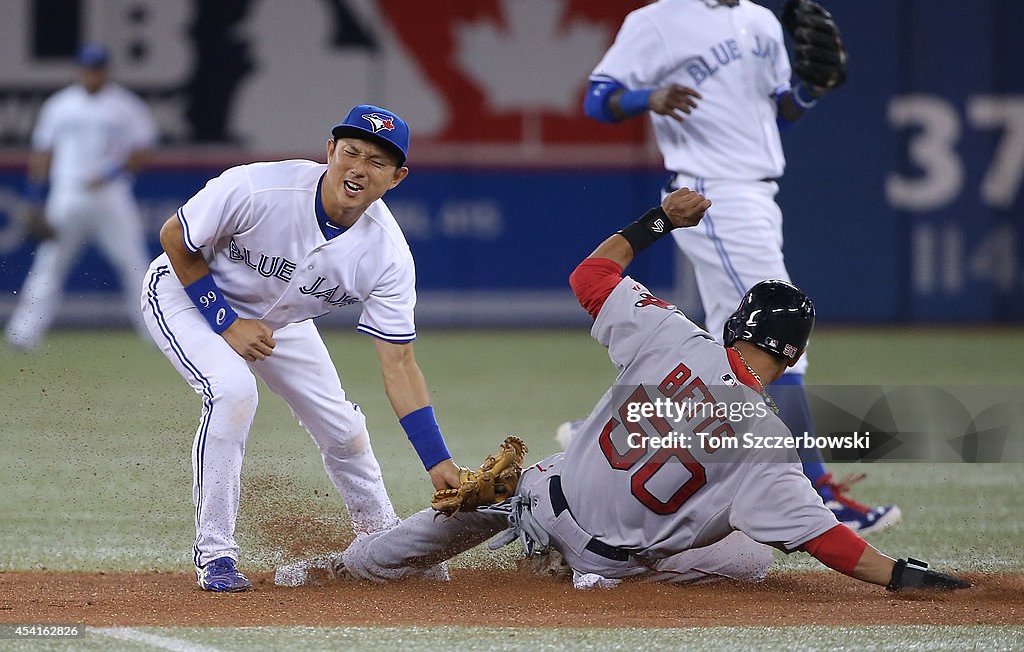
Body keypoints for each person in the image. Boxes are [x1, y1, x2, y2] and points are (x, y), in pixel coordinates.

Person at [275, 190, 968, 594]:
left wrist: (659, 220)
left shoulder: (673, 334)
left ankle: (343, 566)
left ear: (737, 323)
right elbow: (830, 543)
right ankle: (585, 575)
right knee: (758, 551)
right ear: (794, 357)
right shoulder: (769, 445)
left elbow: (589, 276)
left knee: (481, 499)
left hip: (541, 498)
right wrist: (903, 575)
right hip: (602, 563)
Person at [567, 0, 900, 534]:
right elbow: (598, 100)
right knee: (779, 332)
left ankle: (619, 430)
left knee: (733, 346)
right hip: (711, 190)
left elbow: (778, 113)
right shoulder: (657, 21)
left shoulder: (762, 21)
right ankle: (817, 493)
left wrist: (809, 92)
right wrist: (650, 95)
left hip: (757, 190)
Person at [142, 103, 461, 592]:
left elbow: (398, 364)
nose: (358, 168)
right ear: (330, 151)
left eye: (376, 162)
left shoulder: (387, 256)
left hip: (278, 322)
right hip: (187, 293)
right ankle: (216, 555)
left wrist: (438, 462)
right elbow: (174, 237)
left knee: (344, 427)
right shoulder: (259, 188)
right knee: (233, 393)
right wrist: (225, 322)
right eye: (351, 152)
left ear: (396, 178)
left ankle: (381, 540)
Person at [5, 43, 156, 351]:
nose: (92, 74)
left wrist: (112, 174)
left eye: (97, 68)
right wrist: (35, 196)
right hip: (67, 196)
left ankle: (157, 331)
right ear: (79, 70)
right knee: (48, 267)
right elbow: (43, 152)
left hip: (111, 196)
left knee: (135, 265)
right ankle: (23, 335)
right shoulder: (60, 105)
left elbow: (142, 148)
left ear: (106, 70)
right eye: (87, 68)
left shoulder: (124, 105)